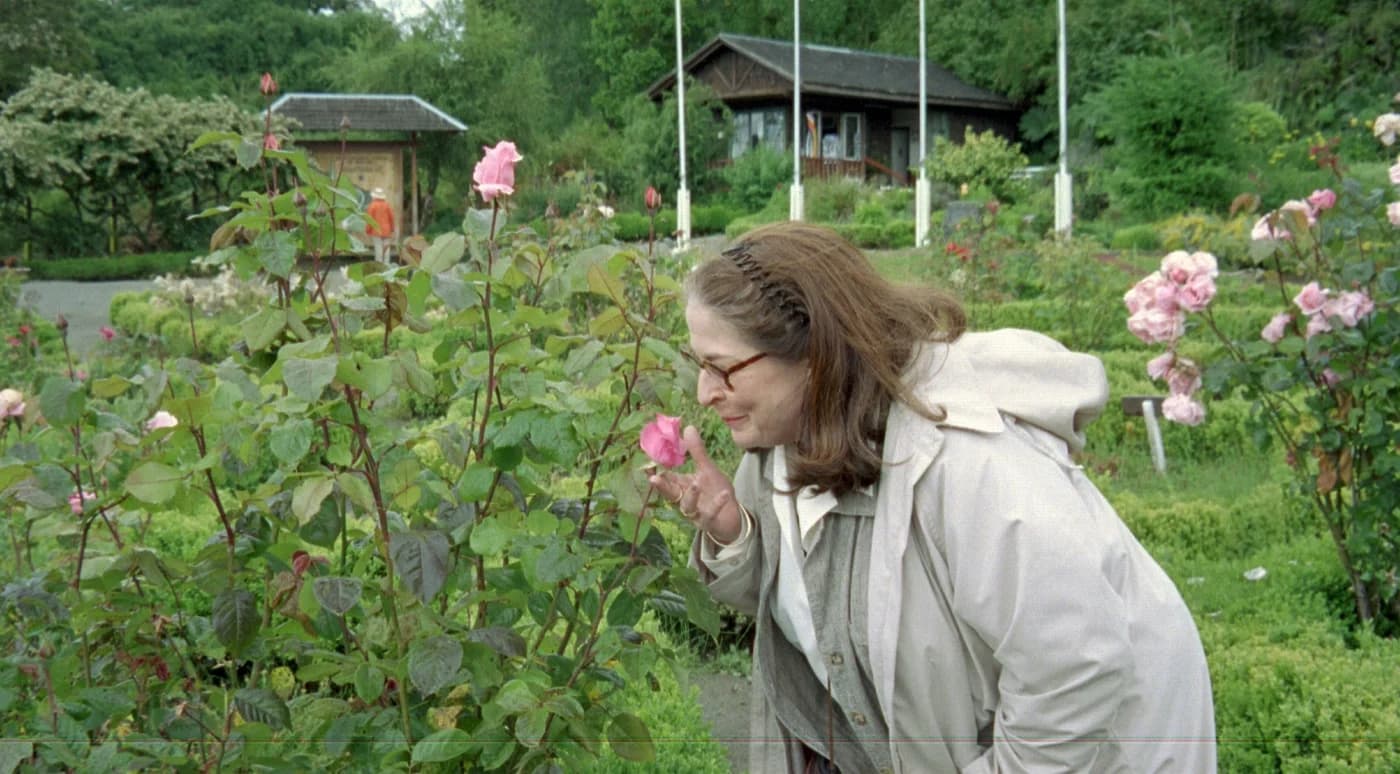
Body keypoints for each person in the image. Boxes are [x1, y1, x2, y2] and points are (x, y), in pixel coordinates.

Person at [650, 222, 1216, 773]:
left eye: (723, 368)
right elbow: (818, 607)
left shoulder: (964, 459)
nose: (704, 393)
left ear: (816, 356)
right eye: (700, 365)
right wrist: (736, 533)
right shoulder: (783, 450)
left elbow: (1075, 665)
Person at [366, 187, 396, 262]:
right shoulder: (387, 205)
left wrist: (367, 230)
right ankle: (386, 266)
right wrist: (392, 229)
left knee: (378, 249)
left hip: (376, 231)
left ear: (374, 196)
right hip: (387, 231)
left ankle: (379, 267)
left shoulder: (372, 206)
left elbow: (369, 220)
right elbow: (391, 218)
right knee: (386, 249)